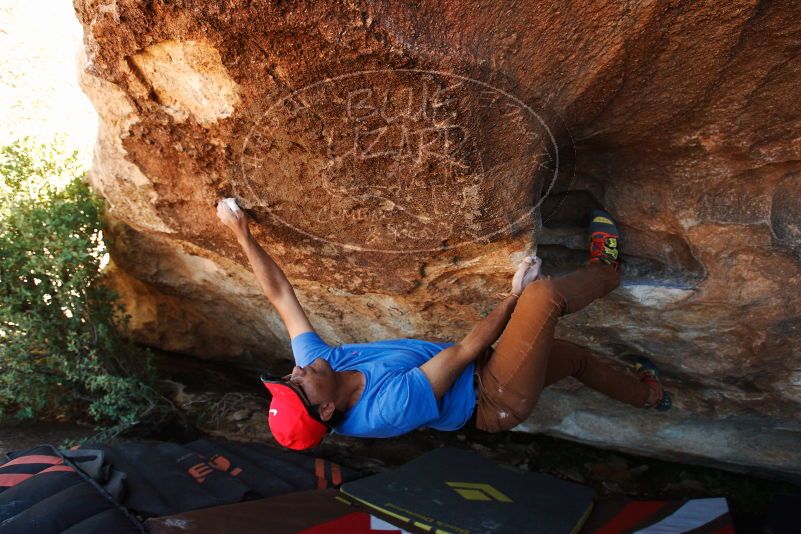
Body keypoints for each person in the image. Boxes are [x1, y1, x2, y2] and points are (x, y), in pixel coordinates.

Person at [216, 200, 672, 450]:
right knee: (541, 296)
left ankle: (649, 395)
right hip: (493, 397)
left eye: (286, 379)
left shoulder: (320, 367)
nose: (295, 372)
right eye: (298, 386)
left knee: (575, 361)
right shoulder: (385, 409)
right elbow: (463, 353)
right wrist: (514, 293)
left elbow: (279, 295)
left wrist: (241, 233)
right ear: (328, 410)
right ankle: (606, 271)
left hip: (483, 371)